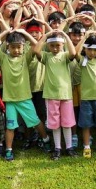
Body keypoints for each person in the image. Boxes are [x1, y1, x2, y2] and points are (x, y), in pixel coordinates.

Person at [0, 29, 51, 161]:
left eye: (19, 47)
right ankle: (9, 150)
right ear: (8, 47)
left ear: (23, 47)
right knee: (10, 126)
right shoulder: (3, 58)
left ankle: (46, 140)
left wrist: (24, 32)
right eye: (13, 47)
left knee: (36, 122)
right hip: (10, 100)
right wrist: (6, 32)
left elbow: (36, 46)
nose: (16, 50)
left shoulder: (25, 58)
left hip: (25, 99)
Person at [32, 30, 77, 160]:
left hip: (66, 94)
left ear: (62, 45)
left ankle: (69, 147)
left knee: (67, 122)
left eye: (58, 45)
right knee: (54, 123)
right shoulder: (46, 56)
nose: (55, 48)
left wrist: (66, 36)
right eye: (52, 45)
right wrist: (45, 36)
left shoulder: (65, 55)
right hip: (51, 95)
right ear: (48, 46)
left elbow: (73, 53)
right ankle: (57, 147)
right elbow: (36, 51)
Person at [74, 32, 96, 158]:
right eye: (89, 49)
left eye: (95, 50)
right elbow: (74, 52)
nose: (92, 52)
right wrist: (84, 38)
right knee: (86, 124)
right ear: (85, 48)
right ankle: (86, 146)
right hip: (86, 99)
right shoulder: (82, 60)